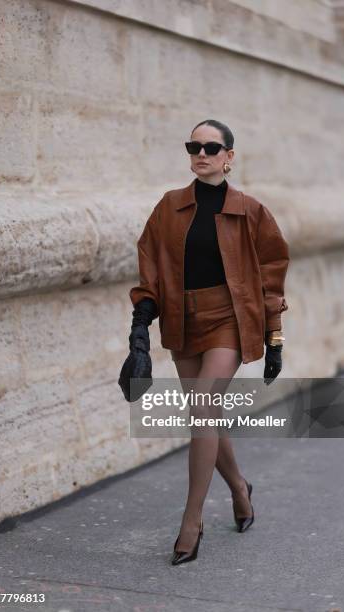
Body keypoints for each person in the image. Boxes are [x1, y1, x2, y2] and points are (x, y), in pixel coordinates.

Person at [119, 119, 289, 565]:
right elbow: (150, 268)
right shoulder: (169, 207)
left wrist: (275, 339)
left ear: (229, 157)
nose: (202, 153)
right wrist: (140, 328)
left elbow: (272, 278)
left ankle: (191, 521)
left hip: (229, 320)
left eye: (212, 147)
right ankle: (239, 488)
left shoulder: (251, 211)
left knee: (202, 410)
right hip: (182, 321)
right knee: (206, 414)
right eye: (194, 146)